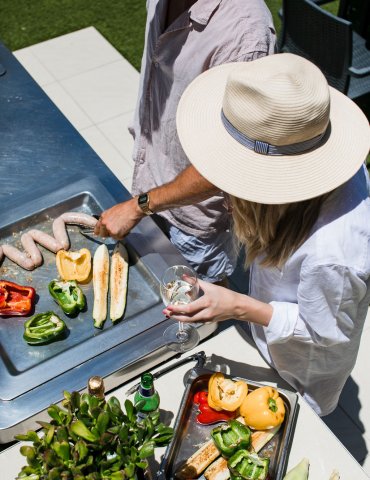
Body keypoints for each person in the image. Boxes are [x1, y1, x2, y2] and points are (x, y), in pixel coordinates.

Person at [163, 53, 370, 416]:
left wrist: (238, 305)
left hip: (304, 364)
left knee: (292, 412)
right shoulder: (317, 151)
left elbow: (325, 334)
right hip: (278, 330)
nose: (224, 193)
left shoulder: (332, 254)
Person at [94, 0, 276, 283]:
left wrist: (139, 206)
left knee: (199, 307)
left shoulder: (245, 34)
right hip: (151, 180)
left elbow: (229, 160)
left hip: (195, 215)